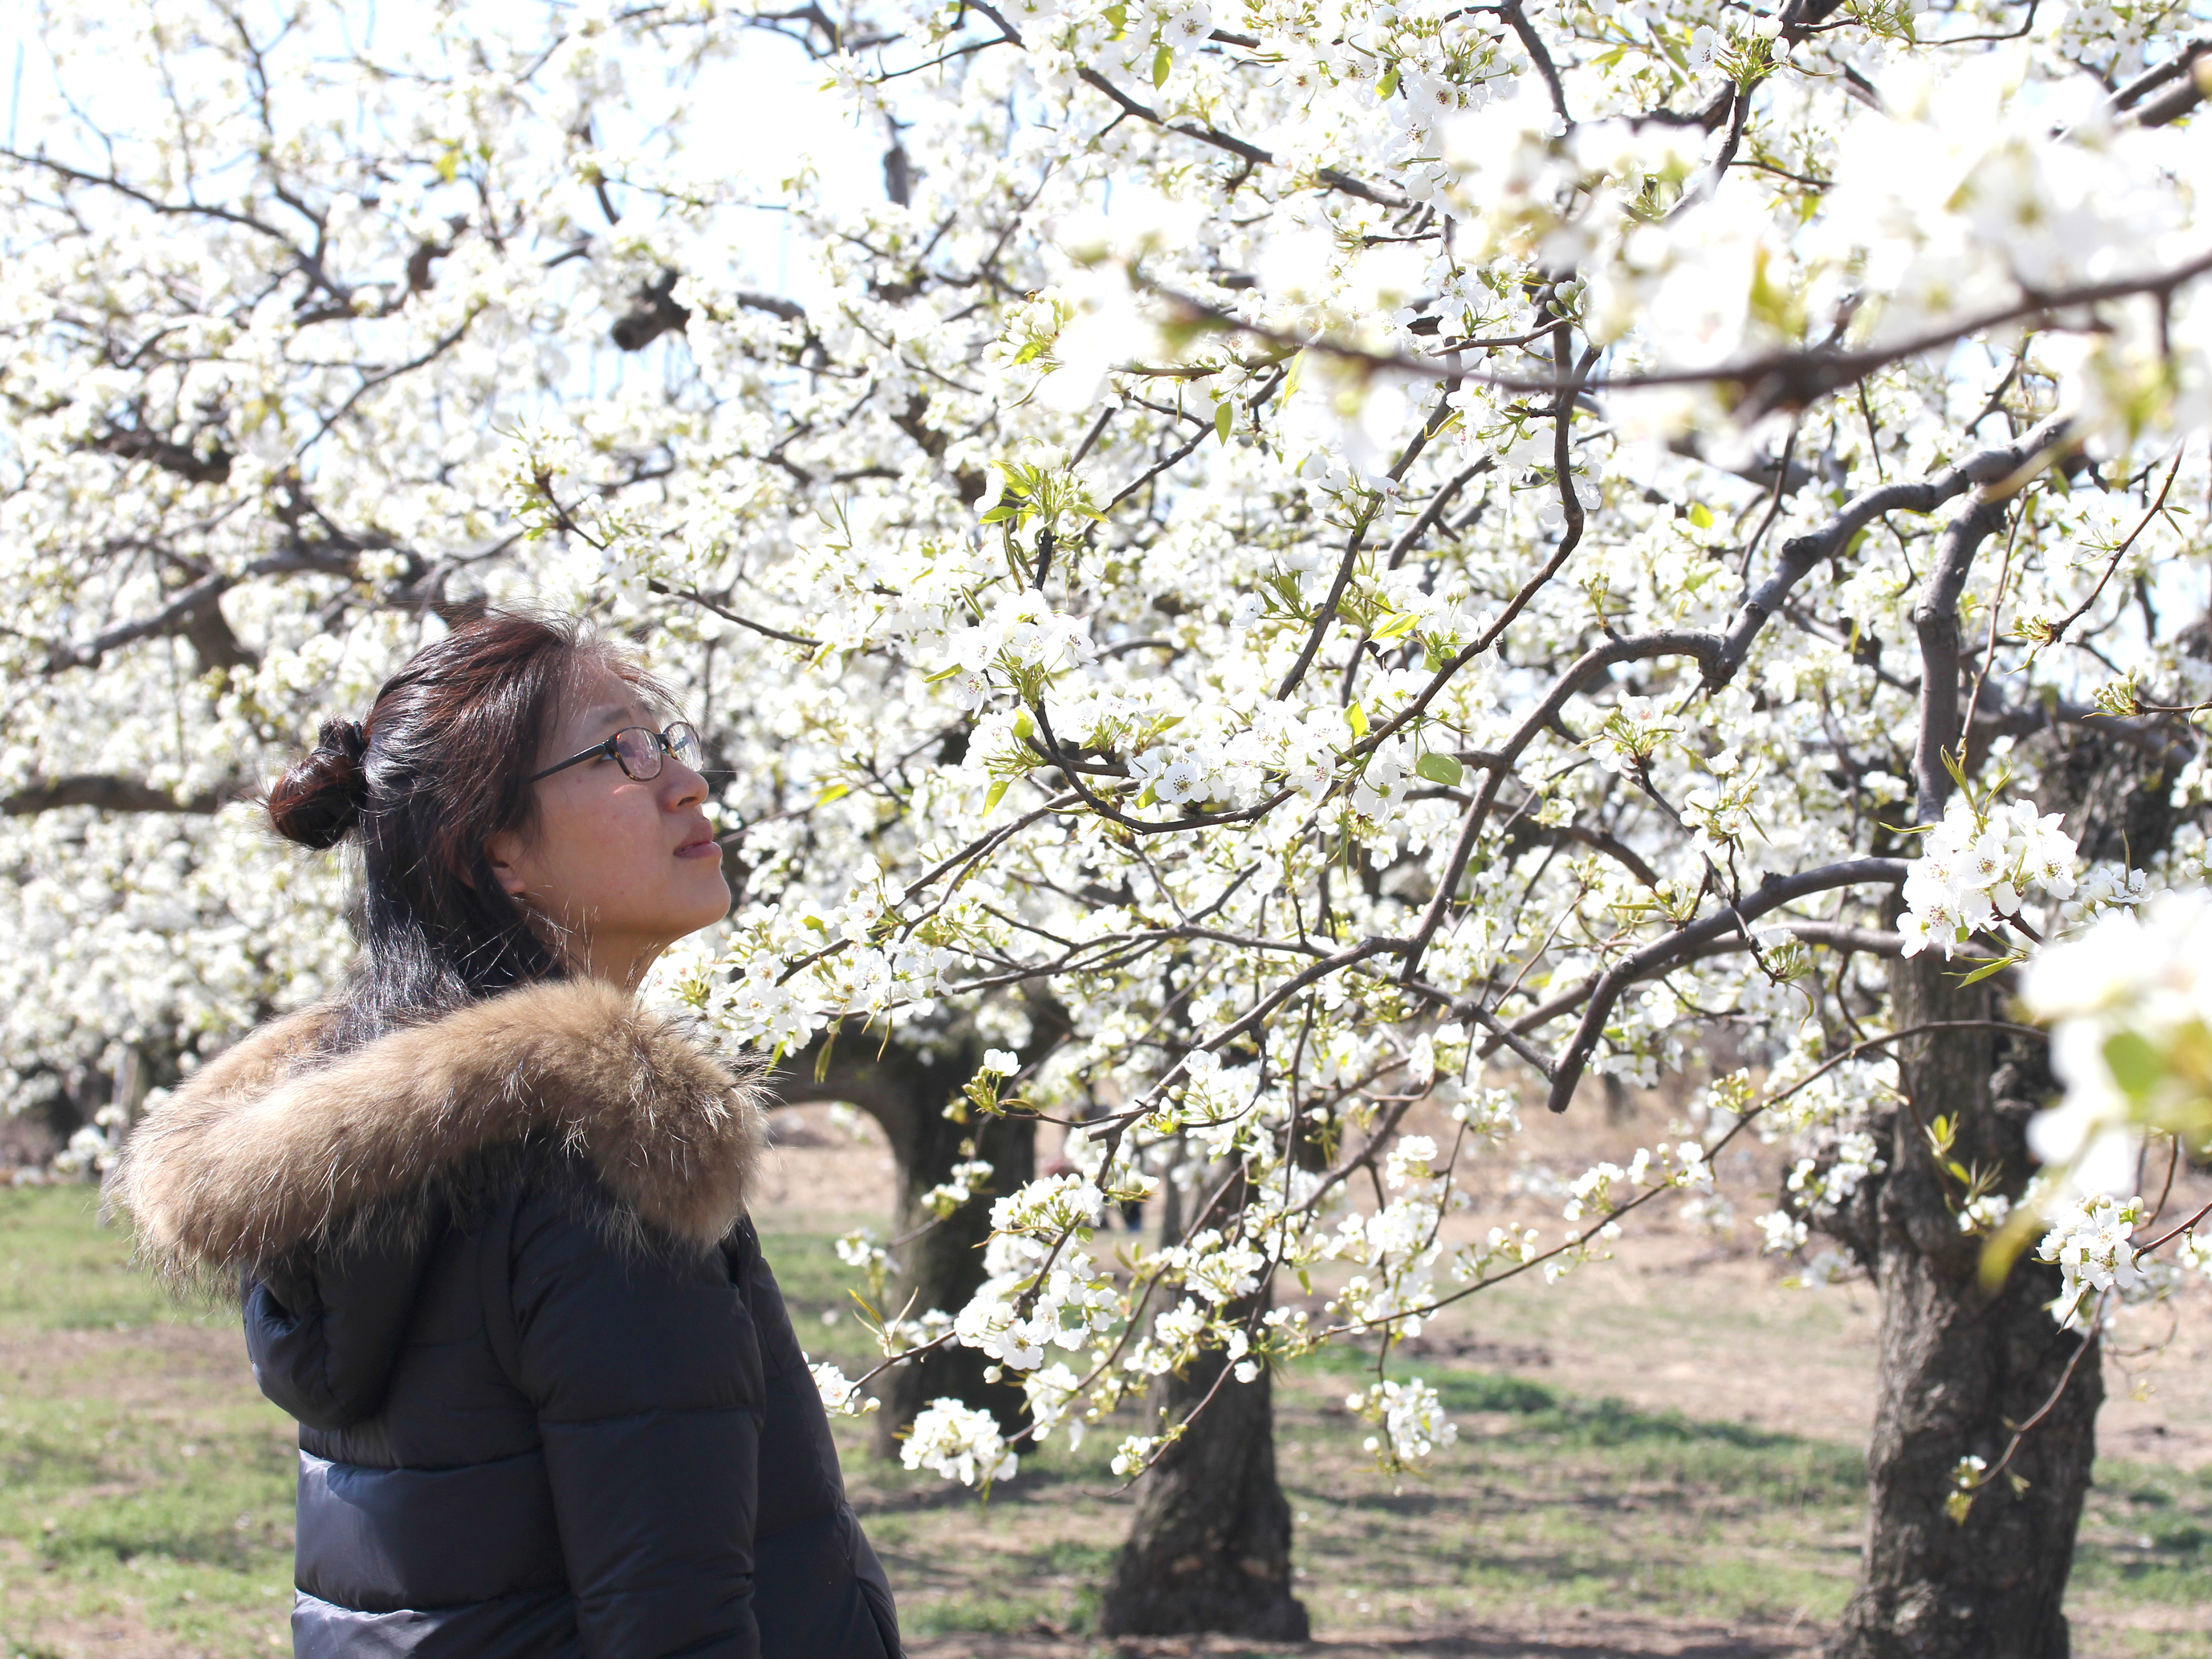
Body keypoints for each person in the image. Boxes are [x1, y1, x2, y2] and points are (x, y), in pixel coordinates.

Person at [105, 606, 900, 1659]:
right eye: (618, 750)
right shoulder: (604, 1174)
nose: (682, 780)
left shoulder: (375, 1164)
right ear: (497, 853)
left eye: (665, 738)